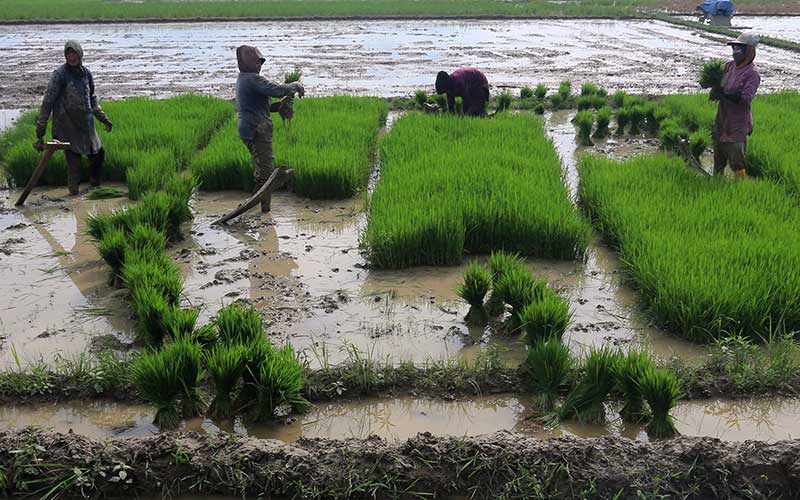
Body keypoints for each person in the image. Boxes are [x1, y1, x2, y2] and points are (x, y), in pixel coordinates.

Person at [35, 40, 113, 195]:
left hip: (87, 125)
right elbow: (48, 101)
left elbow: (92, 100)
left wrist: (104, 119)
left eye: (74, 53)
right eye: (68, 54)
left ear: (80, 54)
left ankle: (94, 186)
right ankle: (73, 194)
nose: (72, 57)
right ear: (65, 56)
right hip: (67, 126)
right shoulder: (60, 75)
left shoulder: (86, 74)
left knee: (98, 154)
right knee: (74, 161)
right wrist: (41, 124)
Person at [236, 45, 304, 212]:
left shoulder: (244, 79)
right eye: (256, 62)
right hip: (256, 129)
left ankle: (257, 206)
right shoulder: (252, 79)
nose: (259, 65)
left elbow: (263, 106)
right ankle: (260, 208)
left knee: (264, 171)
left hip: (251, 128)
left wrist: (279, 106)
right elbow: (278, 90)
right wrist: (295, 85)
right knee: (267, 174)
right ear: (245, 63)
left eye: (261, 62)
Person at [710, 33, 761, 178]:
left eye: (739, 50)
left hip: (738, 122)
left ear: (749, 52)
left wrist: (725, 94)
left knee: (736, 161)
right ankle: (716, 184)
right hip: (722, 118)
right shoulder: (728, 67)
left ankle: (740, 188)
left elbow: (745, 99)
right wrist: (714, 87)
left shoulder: (752, 74)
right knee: (718, 159)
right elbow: (719, 83)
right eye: (734, 49)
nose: (735, 53)